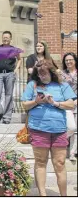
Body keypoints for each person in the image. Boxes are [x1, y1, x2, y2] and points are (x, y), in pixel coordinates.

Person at [21, 60, 76, 196]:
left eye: (44, 74)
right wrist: (36, 101)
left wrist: (55, 103)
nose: (41, 77)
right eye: (39, 74)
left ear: (51, 72)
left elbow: (71, 105)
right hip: (38, 129)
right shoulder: (32, 85)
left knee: (60, 163)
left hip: (59, 130)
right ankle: (43, 194)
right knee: (40, 162)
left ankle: (64, 195)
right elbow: (25, 105)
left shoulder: (62, 85)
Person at [0, 31, 22, 124]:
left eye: (7, 37)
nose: (5, 39)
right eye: (4, 37)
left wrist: (16, 70)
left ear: (11, 39)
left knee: (9, 95)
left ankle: (7, 118)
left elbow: (19, 59)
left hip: (9, 74)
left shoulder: (14, 49)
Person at [60, 52, 78, 161]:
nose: (68, 62)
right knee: (67, 127)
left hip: (76, 103)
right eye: (66, 60)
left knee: (75, 129)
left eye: (70, 60)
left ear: (75, 61)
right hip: (65, 104)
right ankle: (62, 146)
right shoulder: (62, 74)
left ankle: (72, 153)